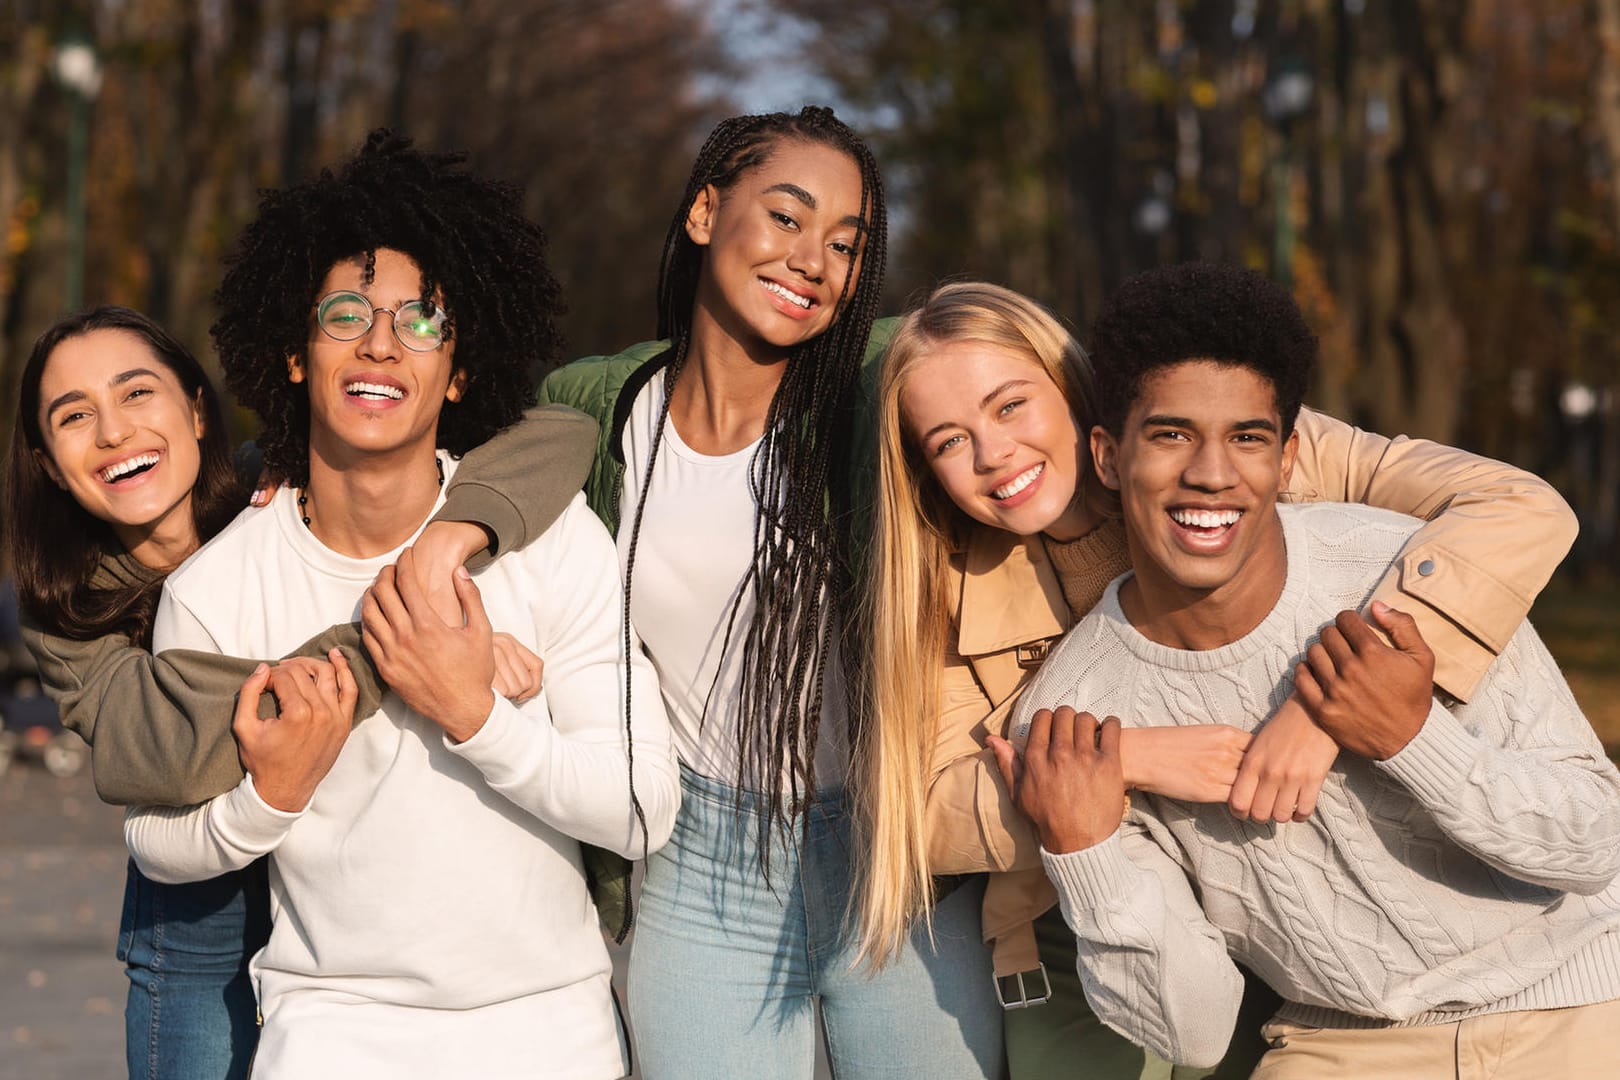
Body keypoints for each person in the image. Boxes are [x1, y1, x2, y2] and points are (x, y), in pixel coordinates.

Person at [858, 280, 1581, 1078]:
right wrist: (1125, 757)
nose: (993, 455)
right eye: (949, 442)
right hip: (1087, 892)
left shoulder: (1222, 443)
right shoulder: (937, 581)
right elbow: (916, 808)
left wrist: (1330, 705)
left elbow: (1514, 506)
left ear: (1075, 394)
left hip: (1302, 900)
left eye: (1010, 407)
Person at [119, 131, 679, 1078]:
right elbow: (154, 837)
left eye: (422, 322)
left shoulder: (549, 536)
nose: (382, 342)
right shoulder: (214, 589)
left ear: (458, 373)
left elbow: (640, 805)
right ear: (296, 356)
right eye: (346, 314)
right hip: (331, 1027)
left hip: (549, 1024)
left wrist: (475, 711)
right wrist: (271, 795)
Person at [3, 303, 597, 1078]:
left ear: (194, 409)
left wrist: (448, 545)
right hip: (200, 909)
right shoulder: (63, 604)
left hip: (345, 899)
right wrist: (416, 644)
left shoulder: (284, 488)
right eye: (74, 416)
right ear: (48, 459)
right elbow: (162, 748)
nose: (114, 431)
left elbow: (562, 434)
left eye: (137, 394)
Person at [539, 106, 1003, 1078]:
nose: (814, 261)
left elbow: (1027, 388)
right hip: (703, 865)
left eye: (846, 243)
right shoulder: (597, 407)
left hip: (895, 859)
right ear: (706, 212)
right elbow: (441, 463)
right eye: (786, 218)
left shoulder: (873, 390)